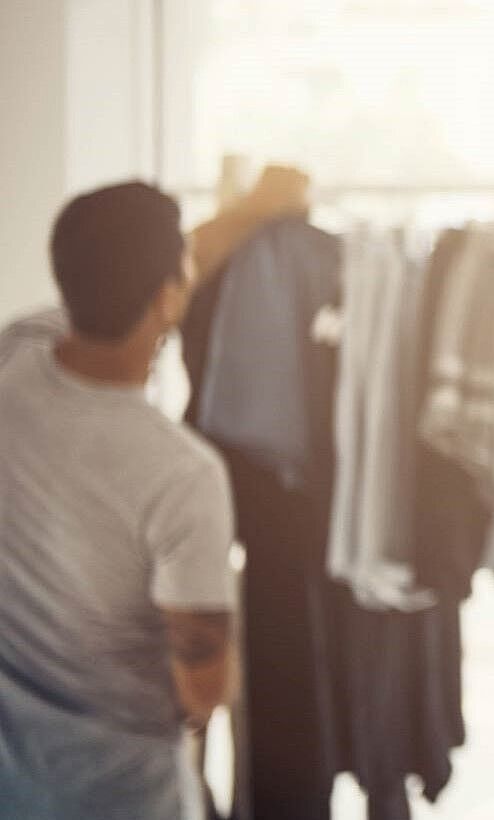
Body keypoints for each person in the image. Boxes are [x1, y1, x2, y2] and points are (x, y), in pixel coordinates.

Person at [0, 171, 308, 819]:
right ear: (171, 296)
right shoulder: (183, 474)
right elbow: (203, 688)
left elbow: (121, 265)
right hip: (121, 795)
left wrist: (250, 209)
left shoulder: (15, 356)